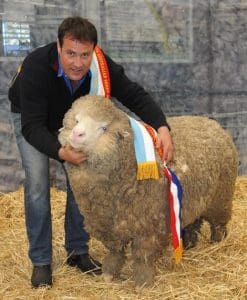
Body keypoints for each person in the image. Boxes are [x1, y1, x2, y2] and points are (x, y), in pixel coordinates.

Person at [8, 16, 173, 288]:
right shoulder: (37, 67)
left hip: (75, 123)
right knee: (37, 184)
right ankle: (40, 261)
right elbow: (32, 127)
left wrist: (162, 126)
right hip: (33, 118)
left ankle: (77, 251)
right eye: (70, 53)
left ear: (94, 50)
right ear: (58, 46)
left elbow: (133, 94)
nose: (78, 62)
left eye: (85, 55)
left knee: (83, 182)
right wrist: (62, 152)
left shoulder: (100, 65)